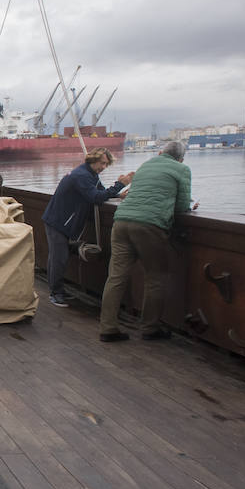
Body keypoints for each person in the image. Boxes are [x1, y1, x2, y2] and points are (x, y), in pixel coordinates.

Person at [98, 141, 196, 342]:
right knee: (156, 277)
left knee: (116, 277)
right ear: (181, 158)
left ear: (161, 152)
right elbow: (182, 206)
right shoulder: (182, 169)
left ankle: (108, 327)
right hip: (149, 225)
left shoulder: (146, 165)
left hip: (121, 221)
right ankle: (150, 327)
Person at [41, 147, 133, 307]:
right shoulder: (81, 176)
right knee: (59, 259)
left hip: (60, 220)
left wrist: (118, 194)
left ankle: (57, 291)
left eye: (106, 164)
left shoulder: (90, 175)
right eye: (101, 163)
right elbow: (95, 197)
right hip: (58, 221)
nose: (103, 167)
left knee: (57, 257)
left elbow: (101, 192)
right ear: (93, 159)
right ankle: (55, 294)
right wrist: (119, 184)